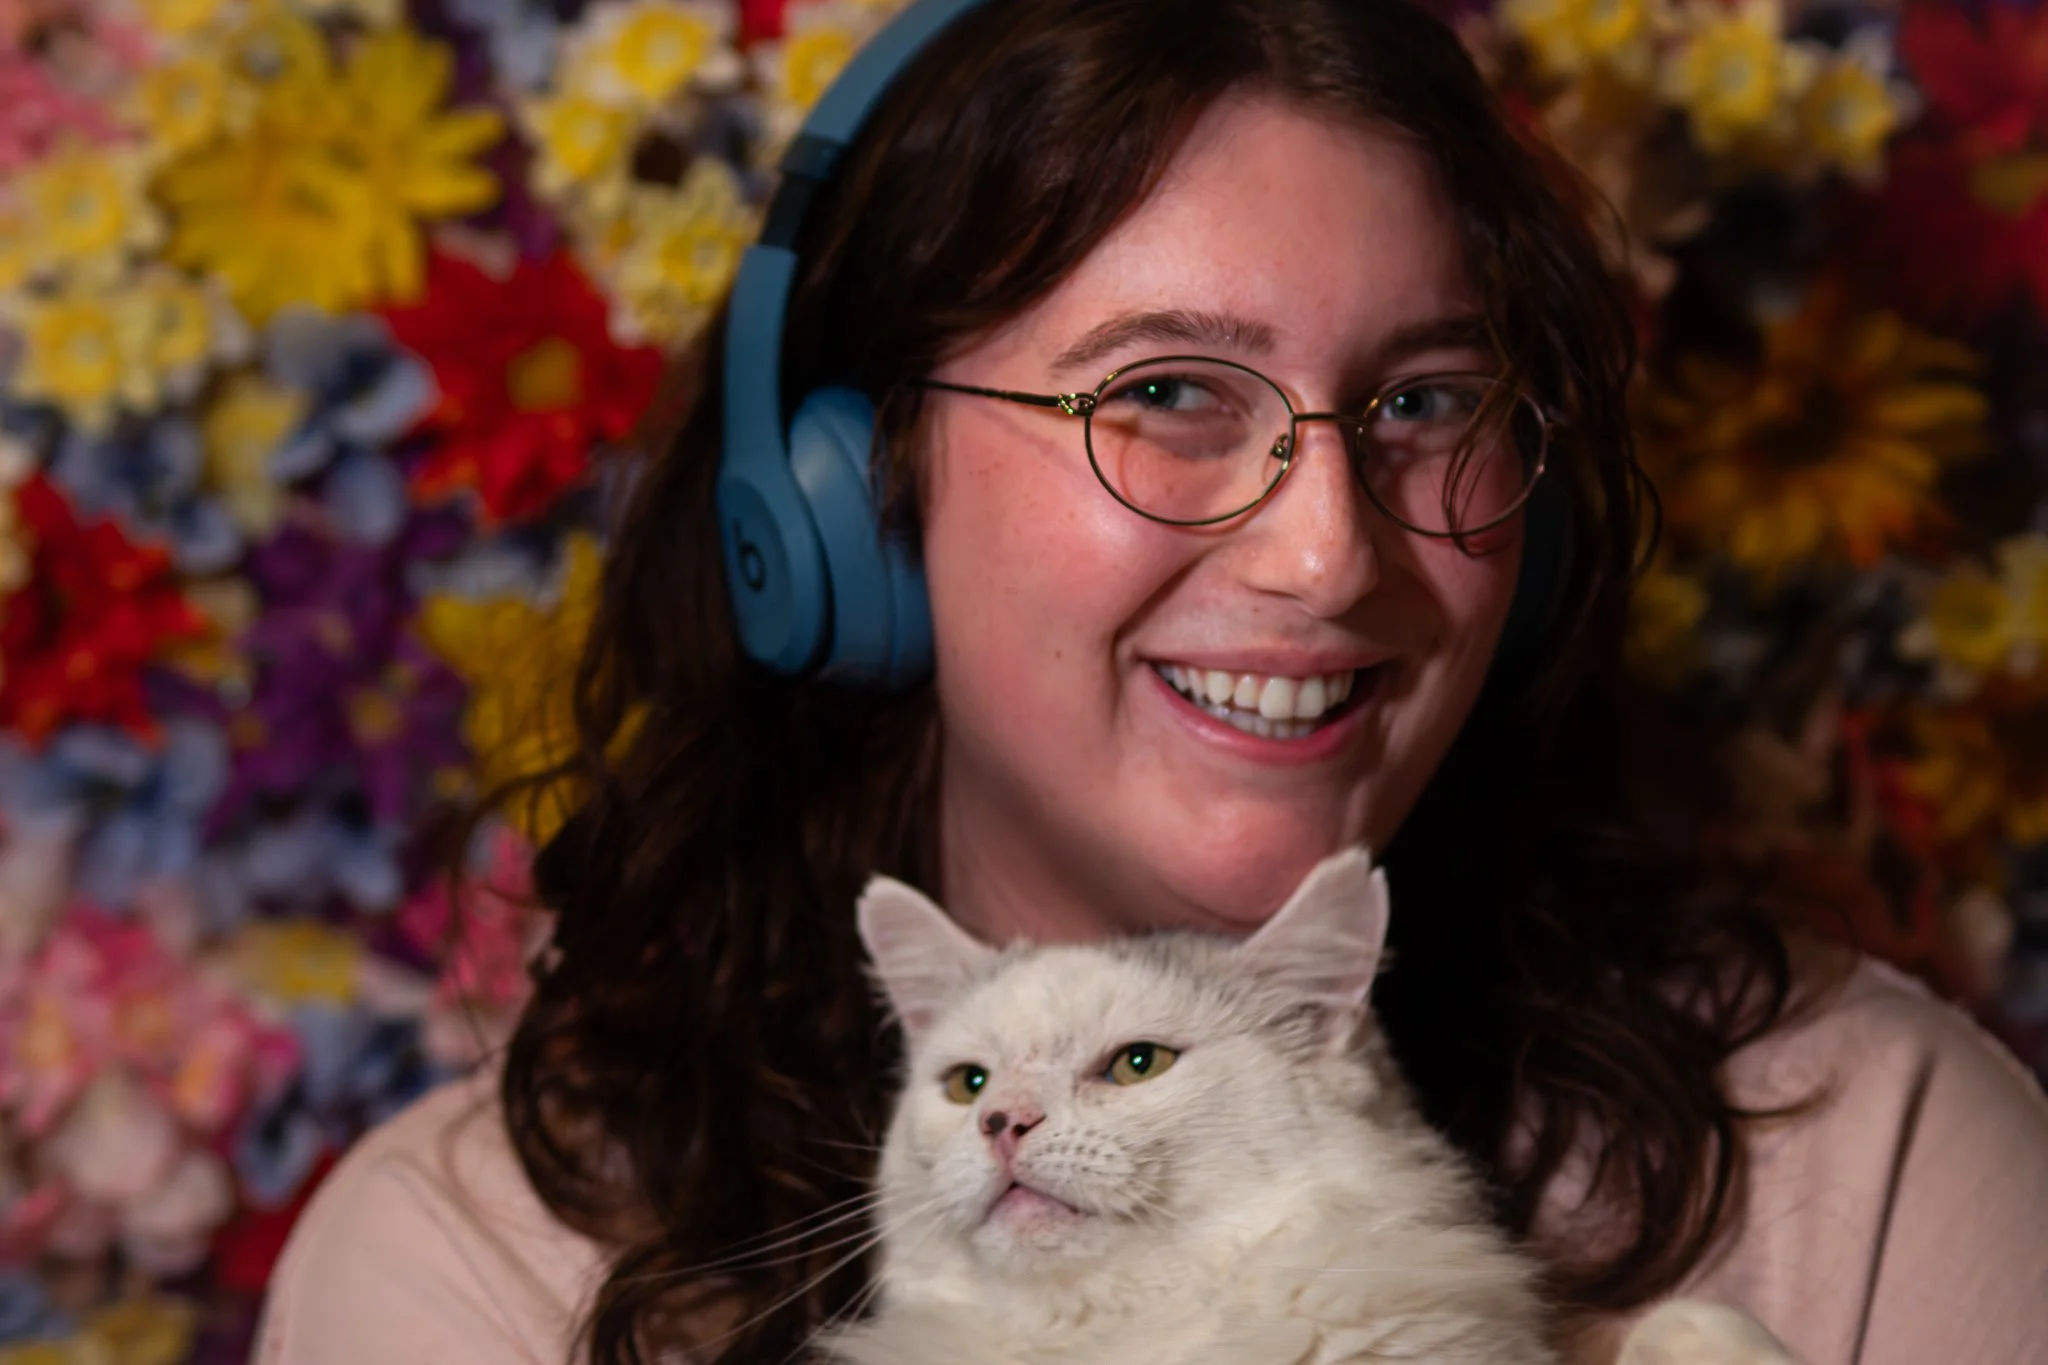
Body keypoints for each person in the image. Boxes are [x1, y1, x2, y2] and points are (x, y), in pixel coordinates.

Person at [254, 1, 2048, 1362]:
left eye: (1423, 403)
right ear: (846, 506)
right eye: (1168, 396)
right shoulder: (464, 1270)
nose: (1329, 557)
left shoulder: (1874, 1160)